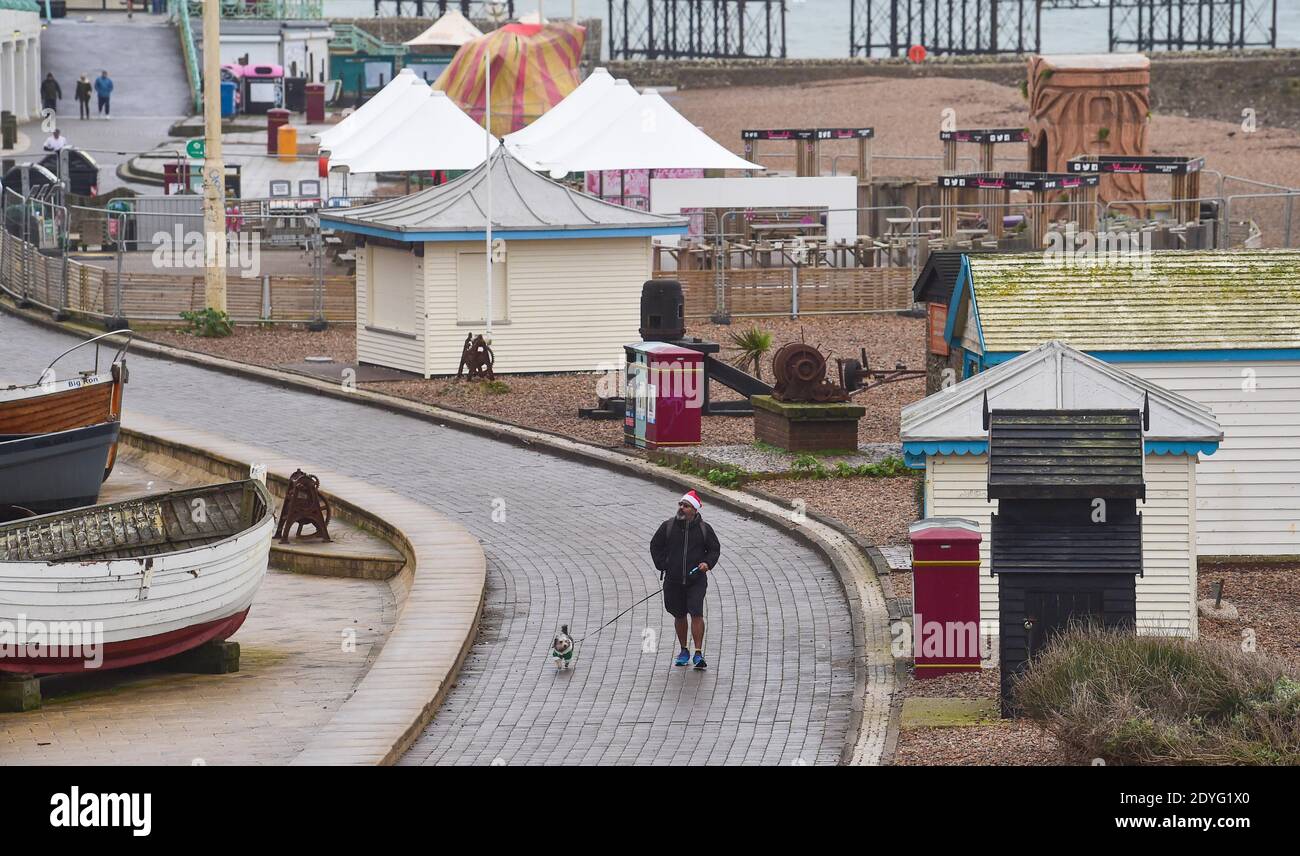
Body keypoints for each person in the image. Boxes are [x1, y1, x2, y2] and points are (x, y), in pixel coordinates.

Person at [650, 490, 721, 670]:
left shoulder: (705, 529)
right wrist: (663, 564)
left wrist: (707, 563)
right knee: (679, 614)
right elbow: (655, 546)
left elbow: (714, 550)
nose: (682, 508)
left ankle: (698, 653)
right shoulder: (668, 526)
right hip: (673, 581)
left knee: (696, 612)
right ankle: (684, 650)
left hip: (696, 580)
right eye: (681, 504)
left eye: (686, 506)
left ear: (694, 510)